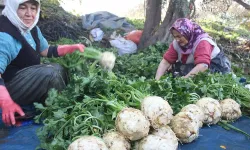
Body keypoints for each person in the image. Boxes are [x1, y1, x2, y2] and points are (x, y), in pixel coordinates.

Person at [0, 0, 85, 126]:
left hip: (23, 81)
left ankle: (50, 108)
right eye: (22, 8)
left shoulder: (31, 29)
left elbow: (46, 50)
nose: (29, 13)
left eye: (33, 8)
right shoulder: (5, 36)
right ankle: (57, 114)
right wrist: (5, 101)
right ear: (13, 8)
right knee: (51, 73)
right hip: (8, 88)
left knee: (60, 69)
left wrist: (70, 48)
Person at [155, 18, 231, 80]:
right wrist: (157, 80)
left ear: (187, 33)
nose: (177, 39)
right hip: (197, 64)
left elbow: (203, 66)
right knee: (174, 69)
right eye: (175, 36)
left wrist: (184, 80)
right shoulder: (176, 43)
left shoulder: (202, 42)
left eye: (179, 36)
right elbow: (165, 62)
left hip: (216, 66)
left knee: (187, 73)